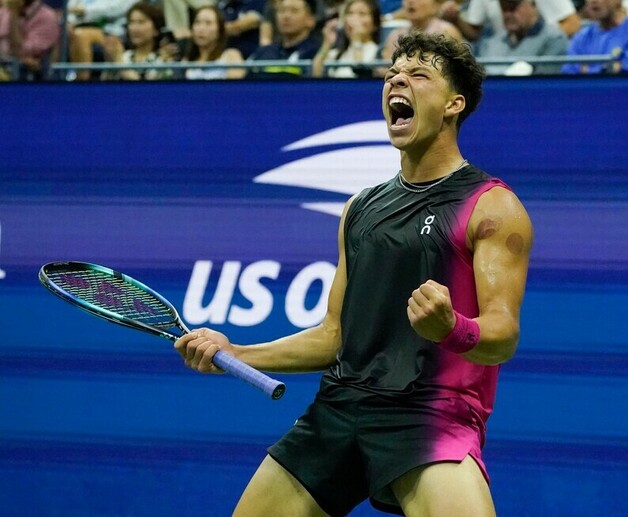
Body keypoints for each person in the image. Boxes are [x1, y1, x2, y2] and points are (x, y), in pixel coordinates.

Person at [175, 31, 533, 517]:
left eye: (418, 74)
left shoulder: (491, 207)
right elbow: (334, 335)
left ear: (454, 104)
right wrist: (236, 352)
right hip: (340, 408)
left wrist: (453, 328)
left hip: (429, 412)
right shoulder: (360, 208)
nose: (397, 81)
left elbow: (502, 336)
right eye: (392, 74)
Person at [476, 0, 568, 75]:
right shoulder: (492, 42)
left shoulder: (554, 39)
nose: (508, 14)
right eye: (504, 8)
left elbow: (543, 85)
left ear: (533, 5)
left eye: (513, 8)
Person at [561, 0, 628, 73]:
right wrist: (609, 68)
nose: (593, 1)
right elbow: (568, 71)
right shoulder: (582, 36)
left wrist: (586, 70)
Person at [439, 0, 582, 43]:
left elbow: (573, 24)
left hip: (542, 54)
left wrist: (538, 43)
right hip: (503, 51)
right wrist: (456, 20)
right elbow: (474, 33)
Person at [245, 0, 320, 79]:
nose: (286, 16)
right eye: (282, 10)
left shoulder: (316, 53)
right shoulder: (263, 52)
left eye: (294, 11)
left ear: (310, 20)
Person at [66, 0, 137, 80]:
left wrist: (84, 11)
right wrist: (68, 22)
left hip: (115, 31)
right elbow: (69, 9)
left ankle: (81, 81)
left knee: (81, 35)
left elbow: (114, 9)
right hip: (84, 26)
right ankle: (56, 75)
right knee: (61, 31)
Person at [103, 1, 175, 80]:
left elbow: (146, 85)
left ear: (156, 29)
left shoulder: (162, 59)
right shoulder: (124, 57)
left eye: (141, 22)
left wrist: (119, 63)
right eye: (131, 22)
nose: (135, 28)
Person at [311, 0, 379, 78]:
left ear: (375, 24)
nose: (354, 19)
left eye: (362, 14)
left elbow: (360, 74)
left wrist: (357, 40)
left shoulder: (378, 52)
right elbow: (315, 74)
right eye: (350, 13)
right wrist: (327, 44)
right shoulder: (337, 53)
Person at [381, 0, 462, 61]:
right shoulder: (395, 35)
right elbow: (385, 69)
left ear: (435, 5)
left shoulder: (446, 31)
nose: (411, 1)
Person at [0, 0, 60, 80]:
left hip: (28, 78)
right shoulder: (4, 12)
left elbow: (18, 51)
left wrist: (14, 14)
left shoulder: (47, 17)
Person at [183, 5, 245, 79]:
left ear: (219, 30)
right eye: (197, 22)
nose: (201, 28)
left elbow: (236, 84)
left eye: (208, 23)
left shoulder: (230, 56)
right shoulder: (186, 61)